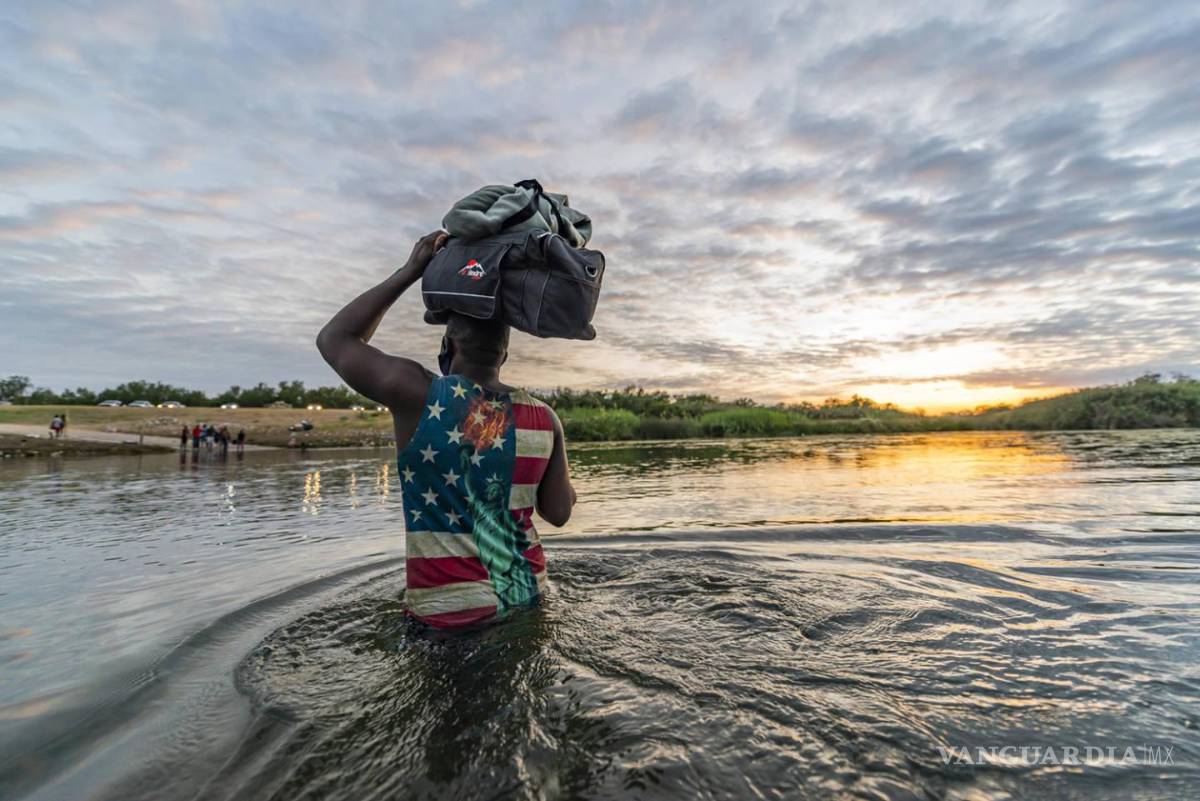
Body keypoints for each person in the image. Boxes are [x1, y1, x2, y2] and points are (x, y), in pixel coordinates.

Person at [317, 230, 576, 628]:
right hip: (529, 593)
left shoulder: (419, 394)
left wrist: (410, 271)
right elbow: (558, 513)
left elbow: (334, 339)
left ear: (448, 347)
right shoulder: (545, 417)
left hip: (450, 613)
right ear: (504, 354)